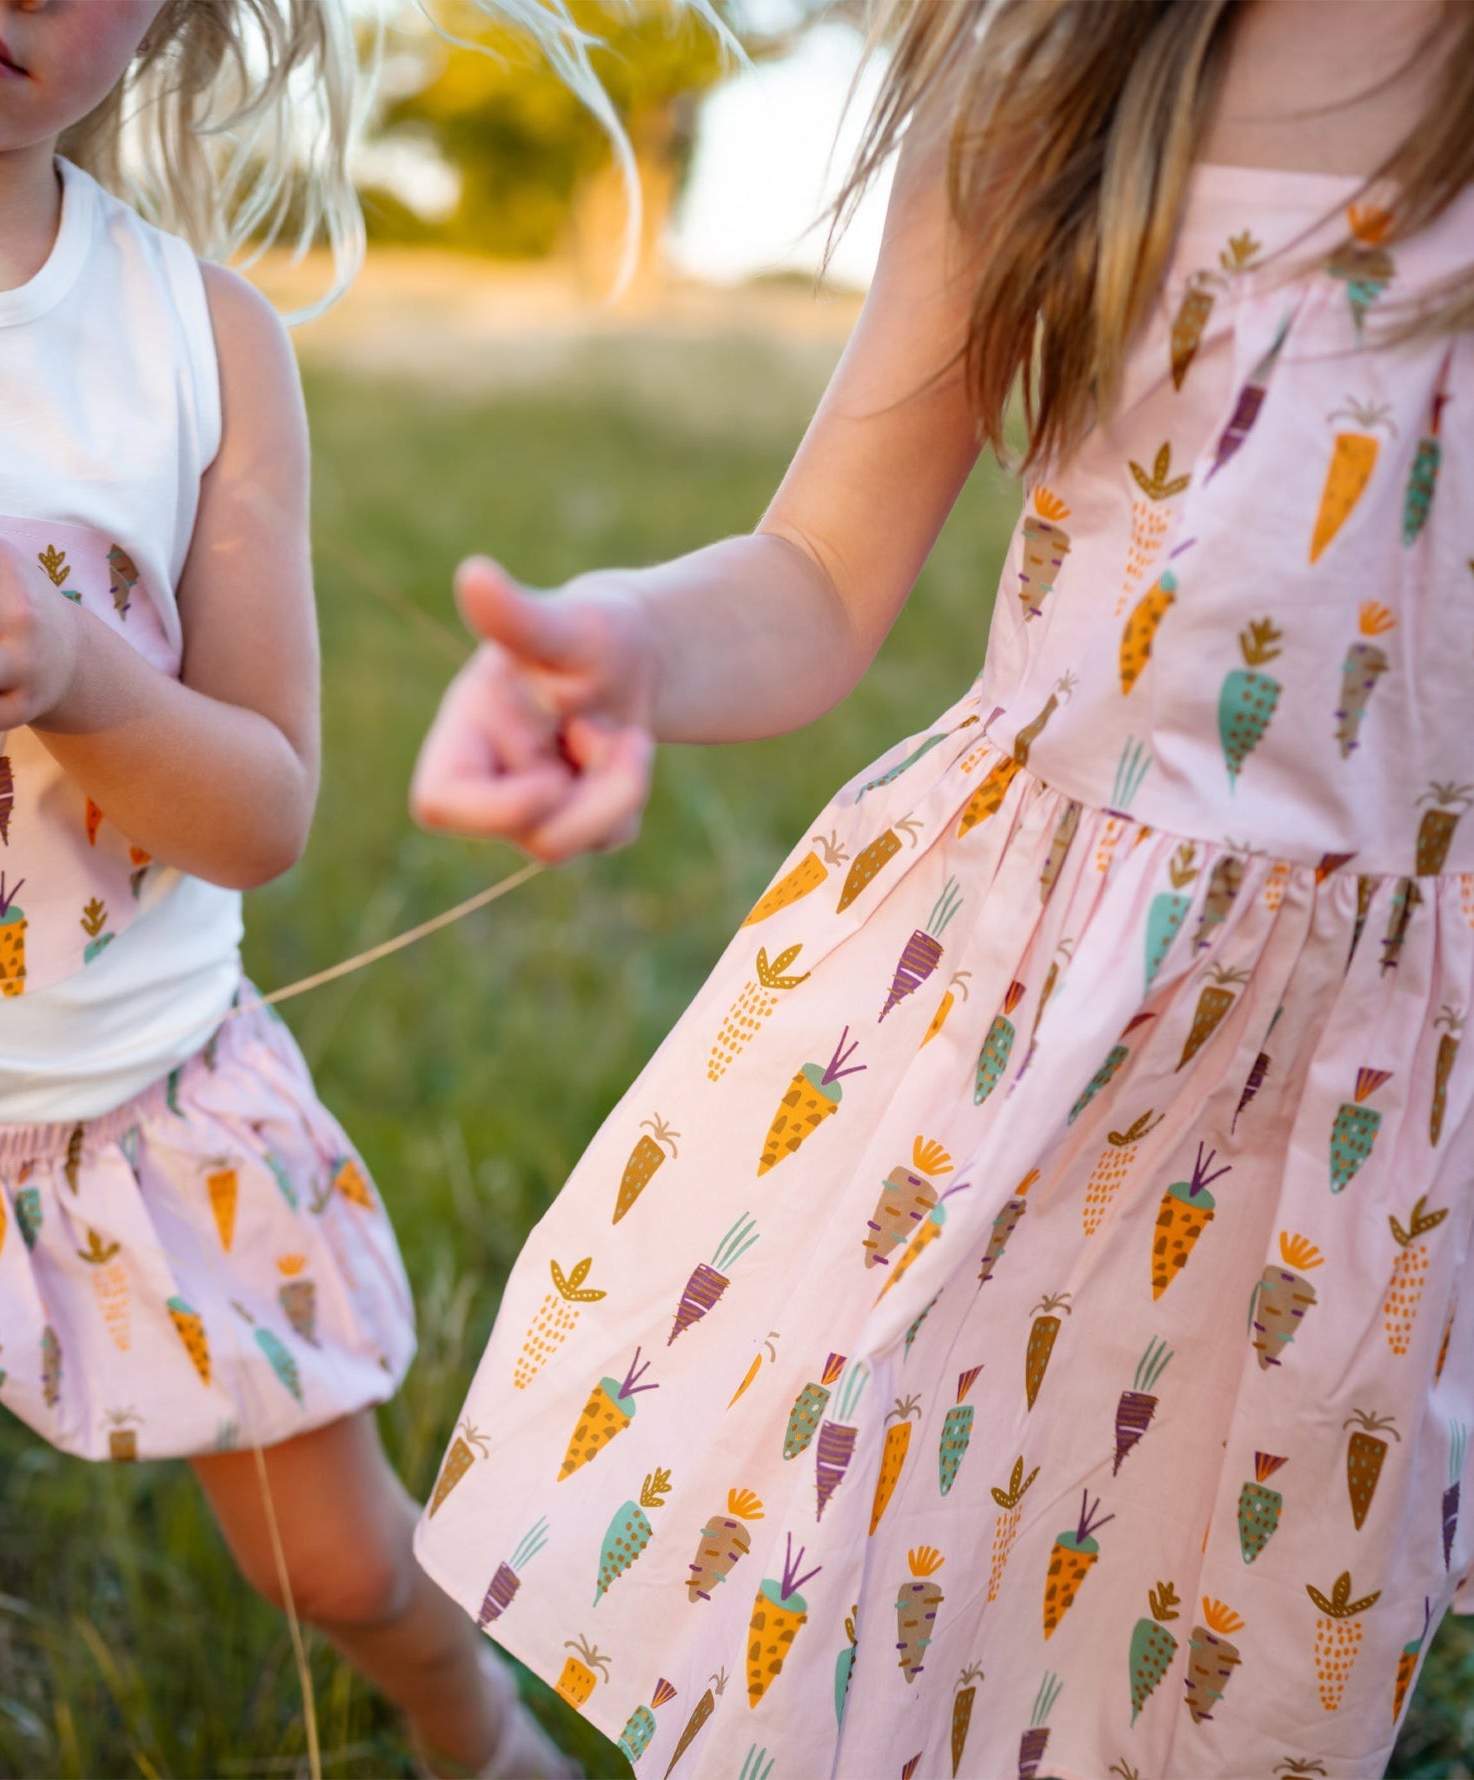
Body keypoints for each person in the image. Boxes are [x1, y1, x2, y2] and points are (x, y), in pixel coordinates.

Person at [409, 1, 1474, 1773]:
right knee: (886, 1610)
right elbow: (822, 569)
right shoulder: (1059, 56)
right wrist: (623, 645)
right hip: (1010, 1022)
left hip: (1363, 1101)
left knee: (1217, 1673)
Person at [0, 3, 608, 1774]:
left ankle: (472, 1724)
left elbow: (260, 813)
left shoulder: (198, 341)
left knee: (339, 1567)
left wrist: (86, 681)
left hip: (145, 1125)